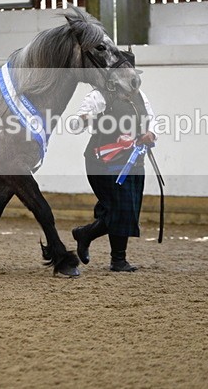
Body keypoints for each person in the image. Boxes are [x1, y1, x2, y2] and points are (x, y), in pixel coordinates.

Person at [70, 61, 157, 272]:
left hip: (134, 160)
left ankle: (98, 244)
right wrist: (98, 121)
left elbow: (151, 119)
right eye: (127, 73)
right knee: (120, 208)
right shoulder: (98, 97)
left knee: (127, 209)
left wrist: (151, 133)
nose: (132, 78)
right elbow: (77, 123)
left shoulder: (140, 96)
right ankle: (114, 257)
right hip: (103, 161)